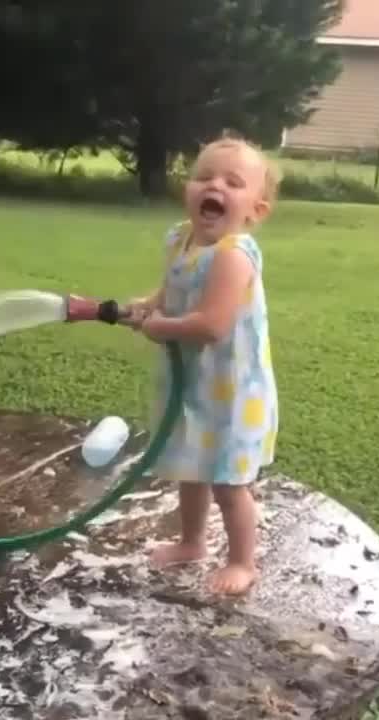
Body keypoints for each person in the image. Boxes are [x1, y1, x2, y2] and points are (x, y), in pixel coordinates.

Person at [123, 136, 280, 595]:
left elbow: (212, 325)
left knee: (228, 483)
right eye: (204, 176)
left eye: (233, 182)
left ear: (255, 210)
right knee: (190, 468)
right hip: (192, 384)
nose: (215, 186)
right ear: (187, 189)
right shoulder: (180, 238)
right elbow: (171, 289)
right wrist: (149, 304)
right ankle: (192, 541)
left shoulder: (232, 256)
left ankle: (242, 562)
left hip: (231, 392)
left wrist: (160, 328)